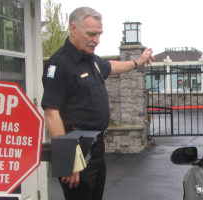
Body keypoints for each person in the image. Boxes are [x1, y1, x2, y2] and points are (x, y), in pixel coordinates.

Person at [41, 7, 154, 200]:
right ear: (73, 29)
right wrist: (68, 162)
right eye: (91, 34)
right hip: (76, 149)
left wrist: (138, 62)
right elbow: (52, 113)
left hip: (96, 146)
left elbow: (113, 66)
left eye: (99, 34)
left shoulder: (90, 60)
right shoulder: (59, 64)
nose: (97, 39)